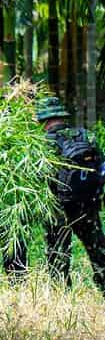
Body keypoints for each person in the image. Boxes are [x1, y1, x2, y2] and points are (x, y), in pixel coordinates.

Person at [36, 96, 105, 291]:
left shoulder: (42, 144)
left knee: (58, 255)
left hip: (57, 209)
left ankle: (62, 297)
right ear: (62, 116)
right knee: (98, 251)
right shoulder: (86, 136)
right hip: (87, 206)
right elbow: (102, 168)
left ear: (45, 121)